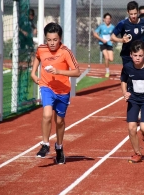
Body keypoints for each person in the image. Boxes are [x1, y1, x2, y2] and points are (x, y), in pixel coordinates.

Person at [30, 22, 81, 164]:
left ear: (60, 39)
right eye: (49, 40)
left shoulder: (65, 51)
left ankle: (59, 147)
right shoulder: (41, 49)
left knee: (59, 121)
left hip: (63, 90)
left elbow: (77, 72)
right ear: (45, 39)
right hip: (47, 87)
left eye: (55, 40)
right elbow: (38, 57)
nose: (52, 43)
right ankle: (45, 144)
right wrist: (33, 73)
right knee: (46, 114)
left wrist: (59, 72)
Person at [111, 1, 144, 66]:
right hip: (127, 55)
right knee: (128, 75)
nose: (133, 16)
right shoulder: (123, 23)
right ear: (127, 12)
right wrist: (122, 40)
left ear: (138, 12)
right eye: (131, 14)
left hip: (139, 55)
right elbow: (112, 37)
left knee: (140, 74)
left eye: (135, 14)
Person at [93, 13, 115, 77]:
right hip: (102, 43)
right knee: (106, 57)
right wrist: (101, 39)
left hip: (109, 44)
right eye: (106, 18)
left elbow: (114, 35)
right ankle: (107, 71)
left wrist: (113, 40)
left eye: (109, 19)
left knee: (111, 59)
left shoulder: (113, 27)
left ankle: (105, 56)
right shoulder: (101, 26)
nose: (107, 20)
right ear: (104, 19)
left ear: (110, 19)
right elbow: (95, 34)